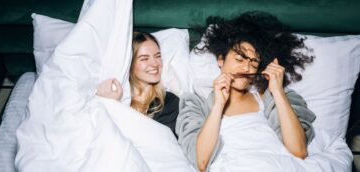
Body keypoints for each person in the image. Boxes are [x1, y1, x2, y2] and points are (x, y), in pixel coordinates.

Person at [176, 12, 316, 171]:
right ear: (221, 60)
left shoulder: (268, 98)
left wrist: (278, 92)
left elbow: (299, 151)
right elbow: (201, 162)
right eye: (239, 59)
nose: (246, 68)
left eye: (254, 62)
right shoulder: (196, 103)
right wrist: (218, 105)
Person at [97, 31, 180, 136]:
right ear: (130, 63)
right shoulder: (117, 99)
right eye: (144, 59)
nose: (155, 64)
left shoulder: (170, 103)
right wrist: (111, 104)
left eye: (157, 56)